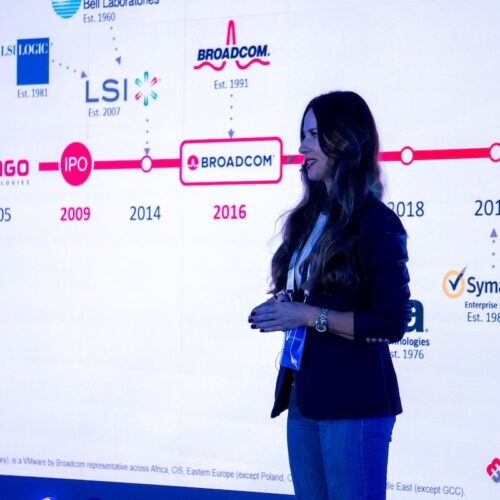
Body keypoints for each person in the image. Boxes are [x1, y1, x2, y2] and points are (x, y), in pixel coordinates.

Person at [248, 90, 412, 500]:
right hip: (303, 397)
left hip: (355, 404)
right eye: (302, 135)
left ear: (345, 140)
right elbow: (310, 294)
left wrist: (308, 316)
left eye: (313, 135)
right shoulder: (307, 219)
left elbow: (391, 322)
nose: (302, 147)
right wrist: (283, 307)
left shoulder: (376, 223)